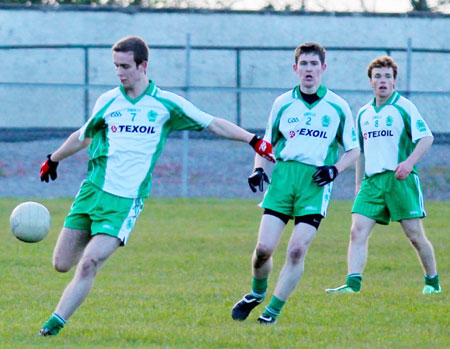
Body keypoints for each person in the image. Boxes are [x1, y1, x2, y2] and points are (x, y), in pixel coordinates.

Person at [38, 35, 275, 336]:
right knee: (61, 264)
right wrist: (54, 158)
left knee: (89, 263)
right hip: (91, 192)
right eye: (116, 67)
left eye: (125, 66)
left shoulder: (166, 104)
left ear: (143, 65)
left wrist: (252, 140)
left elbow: (212, 123)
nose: (120, 73)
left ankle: (52, 327)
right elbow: (83, 135)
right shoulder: (108, 101)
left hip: (125, 202)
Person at [231, 42, 360, 324]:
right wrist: (258, 169)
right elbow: (267, 143)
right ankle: (256, 294)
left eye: (314, 64)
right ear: (295, 69)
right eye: (304, 64)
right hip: (283, 178)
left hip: (314, 183)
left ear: (323, 69)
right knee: (263, 250)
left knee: (297, 249)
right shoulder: (282, 103)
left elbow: (354, 149)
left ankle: (271, 314)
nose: (309, 69)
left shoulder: (338, 106)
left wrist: (335, 170)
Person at [326, 56, 441, 294]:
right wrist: (358, 183)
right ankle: (352, 284)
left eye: (387, 77)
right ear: (370, 82)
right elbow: (359, 151)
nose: (382, 81)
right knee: (356, 231)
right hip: (372, 183)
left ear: (394, 81)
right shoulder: (364, 113)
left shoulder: (404, 106)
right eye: (377, 76)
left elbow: (426, 138)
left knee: (415, 235)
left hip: (400, 180)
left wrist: (409, 163)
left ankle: (432, 283)